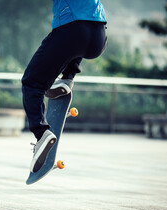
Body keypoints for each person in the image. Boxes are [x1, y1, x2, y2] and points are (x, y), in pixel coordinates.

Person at [22, 0, 107, 173]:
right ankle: (68, 78)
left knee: (32, 83)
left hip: (72, 29)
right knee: (75, 48)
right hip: (99, 36)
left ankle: (41, 133)